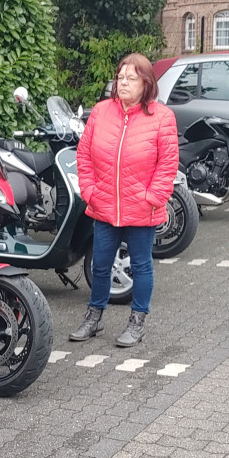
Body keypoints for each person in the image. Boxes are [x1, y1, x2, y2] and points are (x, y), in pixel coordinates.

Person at [69, 53, 179, 348]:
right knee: (100, 266)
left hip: (142, 208)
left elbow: (167, 164)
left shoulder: (162, 117)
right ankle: (94, 317)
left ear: (146, 84)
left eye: (131, 78)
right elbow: (83, 155)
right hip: (104, 204)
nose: (124, 83)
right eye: (120, 77)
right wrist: (89, 191)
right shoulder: (101, 112)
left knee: (141, 266)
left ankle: (137, 321)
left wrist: (153, 197)